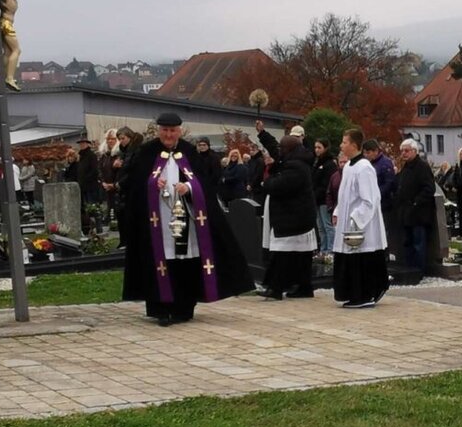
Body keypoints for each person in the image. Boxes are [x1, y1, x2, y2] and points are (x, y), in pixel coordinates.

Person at [119, 112, 252, 326]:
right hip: (157, 221)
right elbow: (131, 185)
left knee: (185, 261)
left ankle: (183, 307)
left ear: (179, 131)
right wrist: (152, 186)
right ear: (159, 130)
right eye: (165, 130)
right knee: (160, 263)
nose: (169, 135)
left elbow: (206, 183)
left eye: (173, 131)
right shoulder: (146, 152)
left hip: (186, 219)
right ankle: (161, 309)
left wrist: (189, 187)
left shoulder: (190, 152)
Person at [332, 128, 389, 308]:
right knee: (349, 259)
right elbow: (345, 195)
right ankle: (352, 293)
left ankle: (364, 294)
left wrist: (355, 218)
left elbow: (370, 199)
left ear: (354, 145)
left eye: (344, 142)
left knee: (362, 258)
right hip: (347, 222)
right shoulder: (349, 166)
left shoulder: (364, 168)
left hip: (361, 225)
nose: (341, 145)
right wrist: (338, 211)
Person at [259, 135, 318, 299]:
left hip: (293, 218)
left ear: (288, 149)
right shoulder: (296, 161)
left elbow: (278, 185)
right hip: (297, 216)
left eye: (282, 149)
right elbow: (275, 152)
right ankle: (303, 286)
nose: (279, 152)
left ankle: (276, 287)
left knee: (282, 254)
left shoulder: (295, 167)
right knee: (300, 255)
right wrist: (262, 134)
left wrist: (267, 181)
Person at [396, 138, 436, 277]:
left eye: (406, 151)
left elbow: (429, 188)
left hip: (419, 213)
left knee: (419, 243)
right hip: (406, 212)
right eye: (402, 151)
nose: (404, 154)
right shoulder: (406, 167)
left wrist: (416, 202)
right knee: (407, 243)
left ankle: (419, 271)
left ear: (414, 151)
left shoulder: (422, 167)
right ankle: (409, 270)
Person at [0, 0, 22, 92]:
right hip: (7, 24)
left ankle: (4, 75)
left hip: (6, 24)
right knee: (17, 50)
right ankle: (9, 77)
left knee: (7, 52)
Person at [311, 138, 338, 260]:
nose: (316, 150)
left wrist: (317, 194)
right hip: (316, 199)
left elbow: (327, 183)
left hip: (324, 200)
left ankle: (331, 250)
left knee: (328, 225)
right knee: (320, 227)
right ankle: (323, 250)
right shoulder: (317, 163)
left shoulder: (329, 164)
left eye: (319, 147)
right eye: (315, 147)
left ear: (325, 148)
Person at [362, 139, 397, 213]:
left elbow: (389, 183)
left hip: (383, 203)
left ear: (376, 151)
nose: (366, 155)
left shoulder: (385, 163)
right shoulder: (368, 163)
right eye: (364, 153)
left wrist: (376, 194)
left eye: (368, 153)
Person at [77, 137, 101, 206]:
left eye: (83, 143)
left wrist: (86, 178)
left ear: (87, 144)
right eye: (80, 144)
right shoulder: (81, 156)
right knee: (85, 204)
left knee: (92, 204)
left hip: (90, 186)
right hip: (82, 185)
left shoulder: (91, 155)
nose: (81, 145)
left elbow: (94, 170)